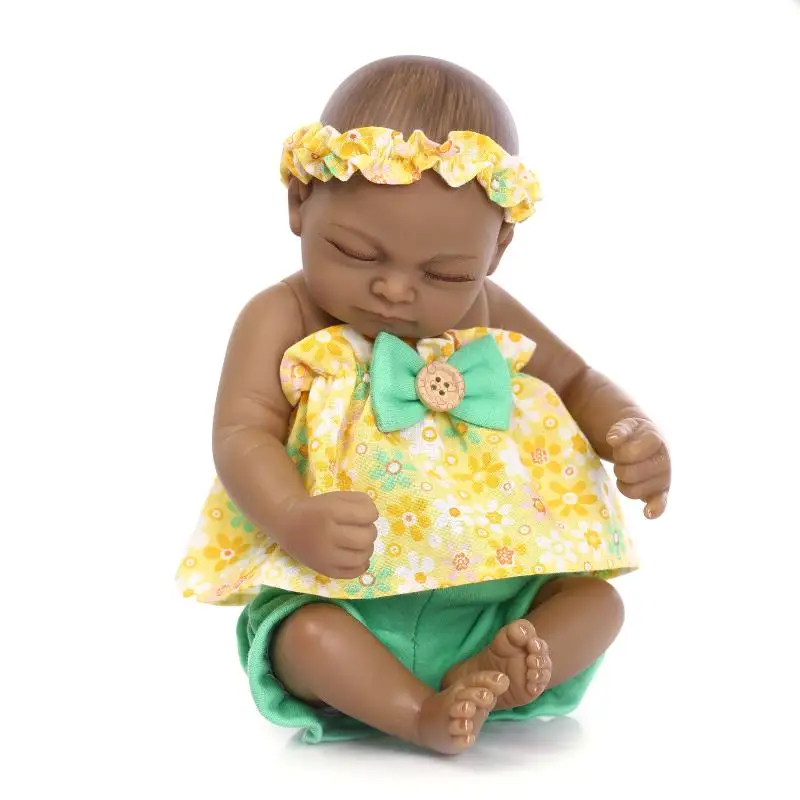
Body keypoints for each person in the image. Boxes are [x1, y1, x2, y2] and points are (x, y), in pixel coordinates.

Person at [175, 55, 671, 755]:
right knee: (302, 637)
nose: (397, 290)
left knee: (599, 603)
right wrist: (292, 515)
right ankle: (417, 714)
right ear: (300, 202)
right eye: (357, 253)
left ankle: (495, 671)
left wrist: (628, 428)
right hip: (347, 605)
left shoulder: (485, 309)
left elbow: (577, 379)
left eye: (444, 273)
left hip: (495, 601)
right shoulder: (281, 315)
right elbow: (240, 432)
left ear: (496, 249)